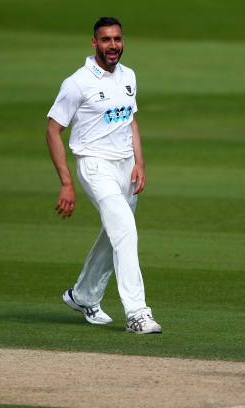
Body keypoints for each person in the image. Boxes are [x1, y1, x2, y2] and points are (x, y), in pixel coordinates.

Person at [45, 16, 161, 334]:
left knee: (114, 236)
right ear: (94, 43)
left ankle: (82, 295)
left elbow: (130, 121)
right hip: (95, 165)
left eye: (118, 39)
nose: (113, 46)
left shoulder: (128, 76)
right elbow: (53, 130)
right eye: (106, 40)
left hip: (126, 168)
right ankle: (137, 312)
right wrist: (66, 182)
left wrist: (140, 163)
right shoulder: (78, 82)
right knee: (125, 231)